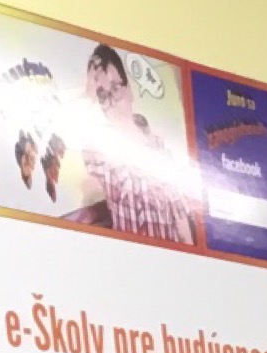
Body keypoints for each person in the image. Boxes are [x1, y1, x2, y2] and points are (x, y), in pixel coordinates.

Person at [81, 44, 195, 244]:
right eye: (102, 95)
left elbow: (181, 221)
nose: (111, 100)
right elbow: (90, 192)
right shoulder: (98, 152)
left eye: (115, 88)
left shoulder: (160, 150)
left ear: (129, 90)